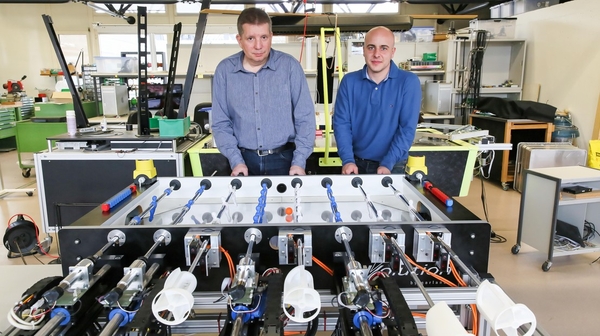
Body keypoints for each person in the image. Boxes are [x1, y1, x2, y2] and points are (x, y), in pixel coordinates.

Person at [211, 7, 316, 176]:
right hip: (242, 161)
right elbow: (220, 123)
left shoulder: (290, 67)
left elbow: (305, 119)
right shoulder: (224, 71)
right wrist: (236, 161)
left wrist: (299, 161)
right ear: (239, 40)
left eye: (264, 37)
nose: (258, 46)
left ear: (271, 37)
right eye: (251, 38)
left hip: (285, 161)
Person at [333, 26, 421, 175]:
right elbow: (341, 123)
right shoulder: (349, 82)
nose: (376, 54)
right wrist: (347, 160)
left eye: (384, 48)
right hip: (355, 164)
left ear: (392, 52)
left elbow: (407, 129)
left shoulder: (408, 82)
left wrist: (388, 163)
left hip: (392, 165)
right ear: (363, 50)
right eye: (371, 47)